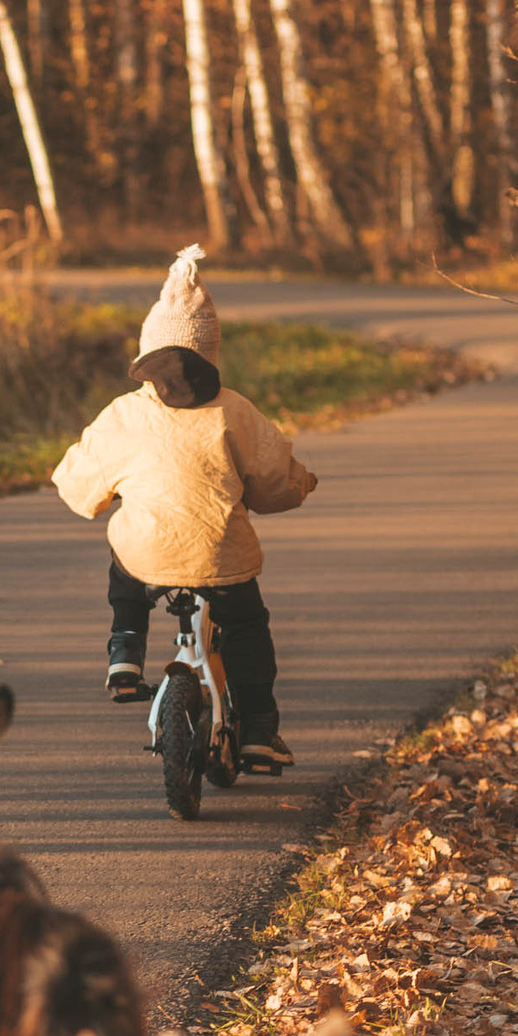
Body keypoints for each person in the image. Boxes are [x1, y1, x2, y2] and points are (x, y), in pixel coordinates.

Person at [52, 246, 316, 769]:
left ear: (149, 356)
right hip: (221, 557)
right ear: (210, 355)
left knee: (125, 569)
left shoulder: (124, 414)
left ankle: (124, 653)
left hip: (146, 556)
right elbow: (272, 483)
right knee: (247, 627)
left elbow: (80, 484)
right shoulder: (235, 412)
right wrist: (300, 485)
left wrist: (102, 496)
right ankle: (259, 727)